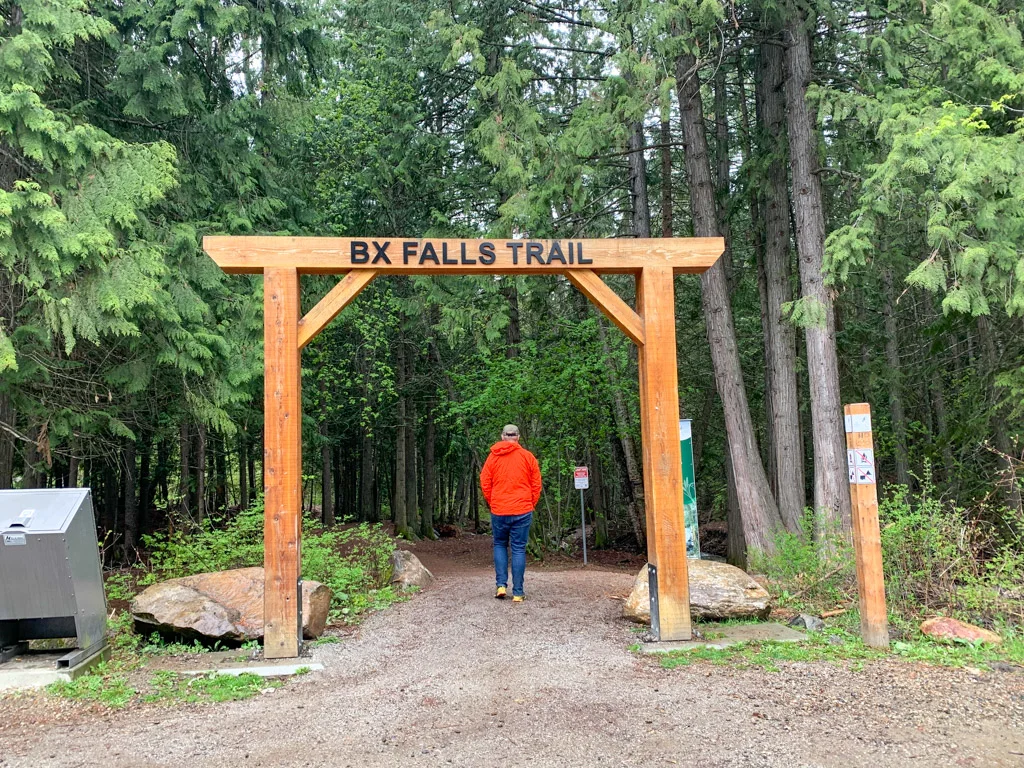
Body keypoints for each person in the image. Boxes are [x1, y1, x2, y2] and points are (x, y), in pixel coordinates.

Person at [479, 424, 541, 603]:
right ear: (518, 437)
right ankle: (518, 592)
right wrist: (530, 503)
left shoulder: (493, 458)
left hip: (499, 509)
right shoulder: (528, 457)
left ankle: (501, 585)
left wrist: (493, 501)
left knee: (499, 544)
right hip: (522, 509)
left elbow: (485, 481)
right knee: (518, 548)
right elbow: (536, 484)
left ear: (503, 436)